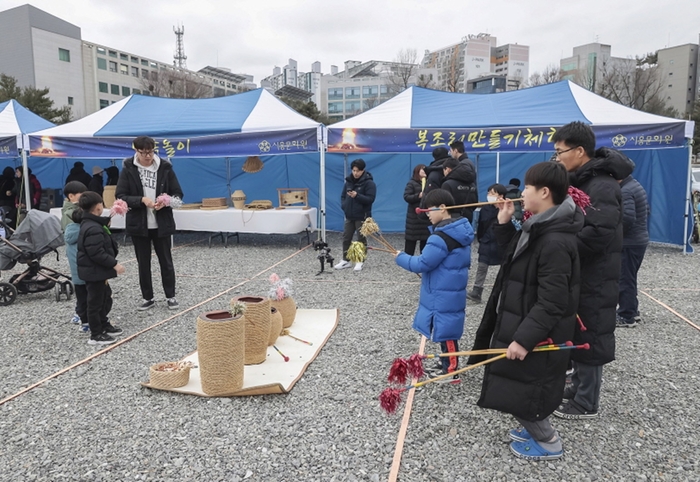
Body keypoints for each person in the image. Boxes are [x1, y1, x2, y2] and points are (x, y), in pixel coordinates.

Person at [469, 161, 583, 461]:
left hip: (534, 330)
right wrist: (504, 223)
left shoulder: (555, 238)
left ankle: (547, 441)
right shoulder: (543, 224)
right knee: (517, 382)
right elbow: (518, 261)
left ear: (544, 192)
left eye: (528, 189)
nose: (522, 194)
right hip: (521, 318)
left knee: (525, 386)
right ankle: (536, 430)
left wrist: (523, 339)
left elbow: (553, 301)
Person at [551, 121, 634, 420]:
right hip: (581, 270)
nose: (558, 157)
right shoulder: (582, 181)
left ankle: (587, 401)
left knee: (592, 332)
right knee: (578, 328)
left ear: (580, 150)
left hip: (596, 273)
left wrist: (563, 248)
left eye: (560, 152)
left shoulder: (602, 184)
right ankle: (577, 389)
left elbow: (598, 233)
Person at [395, 189, 474, 382]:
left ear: (443, 208)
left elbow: (422, 263)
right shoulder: (458, 230)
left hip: (443, 292)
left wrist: (401, 257)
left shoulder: (440, 237)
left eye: (429, 210)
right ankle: (445, 362)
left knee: (447, 332)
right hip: (447, 290)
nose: (427, 214)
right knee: (444, 328)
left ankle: (451, 371)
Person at [115, 136, 184, 311]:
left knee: (166, 262)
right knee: (143, 263)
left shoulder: (165, 167)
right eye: (143, 152)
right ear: (136, 151)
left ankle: (171, 296)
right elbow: (121, 195)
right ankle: (148, 297)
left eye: (151, 151)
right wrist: (141, 200)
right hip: (139, 224)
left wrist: (165, 201)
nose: (148, 156)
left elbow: (178, 194)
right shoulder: (129, 168)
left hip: (162, 223)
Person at [76, 191, 125, 345]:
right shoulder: (93, 229)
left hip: (97, 272)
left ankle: (103, 323)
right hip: (94, 272)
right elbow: (96, 253)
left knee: (104, 297)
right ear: (98, 207)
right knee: (95, 302)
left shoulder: (91, 223)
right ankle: (96, 334)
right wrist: (114, 264)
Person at [616, 175, 649, 327]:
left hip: (630, 243)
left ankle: (626, 315)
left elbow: (628, 218)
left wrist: (614, 232)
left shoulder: (626, 191)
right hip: (638, 240)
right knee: (629, 277)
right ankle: (632, 311)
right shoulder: (634, 185)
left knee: (625, 279)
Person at [334, 158, 376, 272]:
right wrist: (344, 206)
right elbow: (343, 196)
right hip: (349, 215)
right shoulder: (348, 181)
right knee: (346, 237)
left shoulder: (369, 183)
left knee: (361, 239)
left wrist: (357, 195)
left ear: (363, 170)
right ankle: (345, 260)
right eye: (353, 170)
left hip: (362, 215)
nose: (355, 173)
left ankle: (360, 261)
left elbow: (370, 199)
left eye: (358, 171)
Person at [467, 183, 507, 303]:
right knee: (482, 267)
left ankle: (504, 291)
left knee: (504, 268)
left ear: (501, 195)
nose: (489, 195)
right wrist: (481, 238)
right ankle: (477, 291)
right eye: (489, 193)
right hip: (486, 241)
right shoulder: (485, 209)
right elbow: (481, 226)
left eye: (492, 193)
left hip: (500, 243)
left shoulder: (506, 207)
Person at [61, 181, 89, 331]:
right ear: (71, 196)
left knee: (84, 285)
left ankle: (82, 312)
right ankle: (81, 313)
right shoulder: (69, 213)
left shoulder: (76, 209)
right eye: (81, 195)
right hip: (76, 254)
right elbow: (71, 236)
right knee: (81, 285)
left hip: (82, 254)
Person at [447, 140, 478, 221]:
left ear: (455, 150)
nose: (450, 153)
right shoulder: (468, 162)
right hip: (468, 207)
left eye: (451, 151)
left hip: (461, 207)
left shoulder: (463, 164)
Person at [403, 164, 431, 254]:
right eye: (422, 170)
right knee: (410, 243)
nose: (424, 172)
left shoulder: (429, 183)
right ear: (417, 172)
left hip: (425, 217)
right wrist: (418, 196)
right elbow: (407, 197)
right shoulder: (411, 183)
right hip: (413, 218)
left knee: (425, 243)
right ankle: (407, 262)